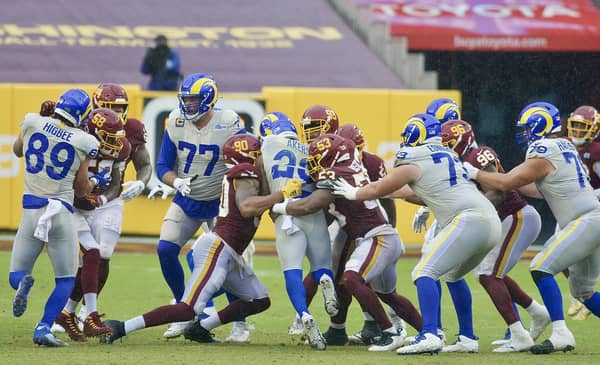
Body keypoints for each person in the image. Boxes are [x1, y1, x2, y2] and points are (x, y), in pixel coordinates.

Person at [99, 134, 302, 344]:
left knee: (259, 300)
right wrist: (282, 194)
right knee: (188, 309)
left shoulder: (246, 174)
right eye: (260, 153)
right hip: (218, 249)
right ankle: (121, 327)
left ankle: (201, 328)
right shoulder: (245, 171)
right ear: (250, 155)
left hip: (230, 251)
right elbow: (247, 207)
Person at [332, 113, 501, 355]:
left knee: (423, 272)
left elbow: (381, 187)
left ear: (417, 133)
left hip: (468, 219)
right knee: (452, 276)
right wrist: (388, 193)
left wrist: (353, 192)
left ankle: (430, 334)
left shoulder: (412, 156)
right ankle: (467, 337)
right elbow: (422, 193)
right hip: (489, 220)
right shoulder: (447, 155)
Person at [465, 102, 600, 354]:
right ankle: (559, 331)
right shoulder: (564, 145)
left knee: (541, 266)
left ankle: (561, 333)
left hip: (585, 220)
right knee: (584, 291)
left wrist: (475, 173)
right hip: (590, 219)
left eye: (527, 128)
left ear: (539, 125)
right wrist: (502, 181)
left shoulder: (544, 148)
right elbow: (537, 189)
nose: (523, 133)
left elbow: (508, 181)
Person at [272, 133, 422, 353]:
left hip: (376, 238)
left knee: (351, 278)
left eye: (318, 158)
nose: (314, 164)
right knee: (388, 294)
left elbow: (312, 205)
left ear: (332, 157)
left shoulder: (334, 173)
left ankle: (389, 332)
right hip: (382, 236)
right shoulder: (351, 169)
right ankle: (430, 331)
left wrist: (280, 206)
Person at [47, 83, 152, 336]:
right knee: (77, 259)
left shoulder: (128, 136)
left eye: (120, 108)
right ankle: (66, 313)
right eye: (110, 107)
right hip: (73, 200)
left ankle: (80, 312)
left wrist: (139, 182)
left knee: (101, 252)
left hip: (106, 199)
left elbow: (138, 167)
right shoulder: (78, 129)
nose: (116, 113)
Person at [148, 73, 246, 339]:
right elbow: (162, 167)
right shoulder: (176, 121)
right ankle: (183, 310)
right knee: (166, 249)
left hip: (220, 203)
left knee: (227, 265)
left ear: (209, 99)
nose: (188, 105)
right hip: (187, 197)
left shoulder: (229, 122)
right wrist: (176, 181)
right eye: (186, 100)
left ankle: (240, 322)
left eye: (194, 100)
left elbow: (246, 159)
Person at [441, 119, 550, 352]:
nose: (447, 149)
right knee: (489, 273)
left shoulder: (478, 155)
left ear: (463, 141)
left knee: (489, 274)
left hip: (516, 216)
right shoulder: (459, 161)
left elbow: (499, 192)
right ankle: (536, 312)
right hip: (505, 220)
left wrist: (470, 208)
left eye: (449, 144)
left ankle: (519, 334)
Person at [9, 88, 104, 346]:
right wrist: (97, 181)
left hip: (31, 209)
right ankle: (43, 328)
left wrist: (34, 128)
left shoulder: (32, 121)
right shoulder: (84, 140)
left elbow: (17, 151)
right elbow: (81, 188)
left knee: (15, 273)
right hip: (60, 213)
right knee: (65, 279)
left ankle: (22, 283)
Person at [259, 112, 337, 350]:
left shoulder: (267, 145)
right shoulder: (309, 147)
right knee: (322, 266)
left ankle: (303, 314)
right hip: (311, 210)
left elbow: (263, 183)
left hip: (286, 214)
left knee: (292, 272)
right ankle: (325, 279)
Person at [52, 108, 128, 341]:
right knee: (92, 254)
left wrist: (102, 199)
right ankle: (86, 315)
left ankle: (68, 314)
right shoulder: (78, 146)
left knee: (94, 256)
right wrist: (92, 188)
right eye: (108, 137)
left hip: (89, 207)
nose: (115, 143)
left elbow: (115, 183)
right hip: (68, 207)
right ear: (93, 133)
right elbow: (74, 190)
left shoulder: (119, 148)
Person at [564, 105, 600, 320]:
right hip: (576, 211)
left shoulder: (595, 151)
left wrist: (588, 195)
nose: (577, 131)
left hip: (594, 209)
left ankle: (584, 294)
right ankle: (581, 293)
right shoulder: (566, 146)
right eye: (575, 126)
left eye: (582, 127)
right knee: (559, 254)